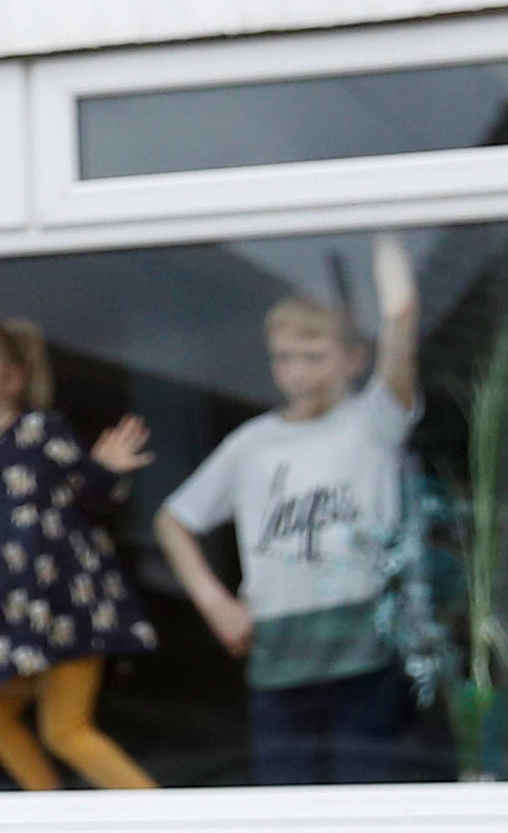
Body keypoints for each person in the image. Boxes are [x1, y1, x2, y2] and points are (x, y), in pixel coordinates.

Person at [156, 235, 438, 785]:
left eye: (314, 357)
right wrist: (216, 605)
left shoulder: (372, 421)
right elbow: (173, 521)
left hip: (365, 657)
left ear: (354, 360)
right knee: (285, 809)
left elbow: (401, 318)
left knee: (367, 802)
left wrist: (384, 230)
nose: (298, 371)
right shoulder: (252, 444)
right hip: (279, 663)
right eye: (284, 358)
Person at [0, 315, 159, 792]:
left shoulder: (40, 432)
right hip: (18, 622)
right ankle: (48, 807)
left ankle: (162, 819)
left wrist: (106, 471)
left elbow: (88, 498)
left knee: (66, 730)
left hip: (65, 607)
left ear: (13, 378)